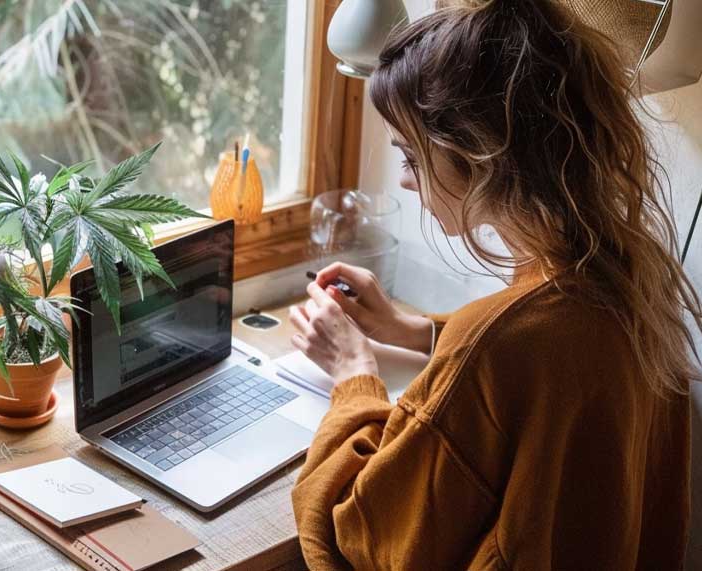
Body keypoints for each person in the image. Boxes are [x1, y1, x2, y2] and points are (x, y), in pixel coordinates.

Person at [288, 1, 702, 569]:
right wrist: (416, 332)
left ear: (480, 154)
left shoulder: (496, 338)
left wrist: (355, 378)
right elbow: (536, 385)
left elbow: (359, 534)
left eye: (411, 156)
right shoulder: (629, 276)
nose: (406, 181)